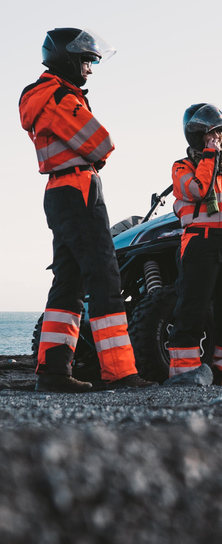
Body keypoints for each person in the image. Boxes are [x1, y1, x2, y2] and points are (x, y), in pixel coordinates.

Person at [19, 28, 156, 392]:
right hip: (79, 189)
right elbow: (102, 144)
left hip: (60, 190)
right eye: (86, 61)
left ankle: (53, 372)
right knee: (105, 277)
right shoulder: (59, 97)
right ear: (67, 59)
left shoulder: (45, 97)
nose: (90, 69)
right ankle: (120, 372)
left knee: (68, 282)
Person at [165, 104, 222, 387]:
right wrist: (210, 156)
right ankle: (184, 374)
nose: (217, 138)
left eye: (220, 133)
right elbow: (200, 190)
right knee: (192, 311)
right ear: (197, 136)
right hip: (199, 244)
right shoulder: (182, 167)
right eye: (211, 133)